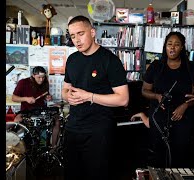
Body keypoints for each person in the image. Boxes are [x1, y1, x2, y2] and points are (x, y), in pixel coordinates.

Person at [61, 15, 129, 180]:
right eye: (72, 36)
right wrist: (68, 97)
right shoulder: (72, 60)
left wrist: (89, 96)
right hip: (73, 128)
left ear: (92, 32)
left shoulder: (110, 60)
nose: (77, 40)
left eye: (80, 33)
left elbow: (123, 99)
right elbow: (64, 90)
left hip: (99, 131)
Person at [141, 31, 194, 168]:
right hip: (159, 115)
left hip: (183, 117)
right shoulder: (156, 66)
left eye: (177, 45)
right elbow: (144, 90)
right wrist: (157, 96)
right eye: (169, 44)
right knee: (159, 153)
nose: (172, 48)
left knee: (181, 153)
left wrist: (185, 106)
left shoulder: (190, 67)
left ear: (182, 47)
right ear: (165, 46)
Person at [12, 66, 60, 149]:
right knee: (17, 121)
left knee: (57, 121)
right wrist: (26, 99)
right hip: (26, 111)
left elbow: (45, 95)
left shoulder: (45, 83)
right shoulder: (23, 83)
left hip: (41, 110)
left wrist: (47, 97)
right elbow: (14, 98)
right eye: (39, 77)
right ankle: (20, 147)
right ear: (33, 75)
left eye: (43, 77)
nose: (41, 80)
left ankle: (53, 147)